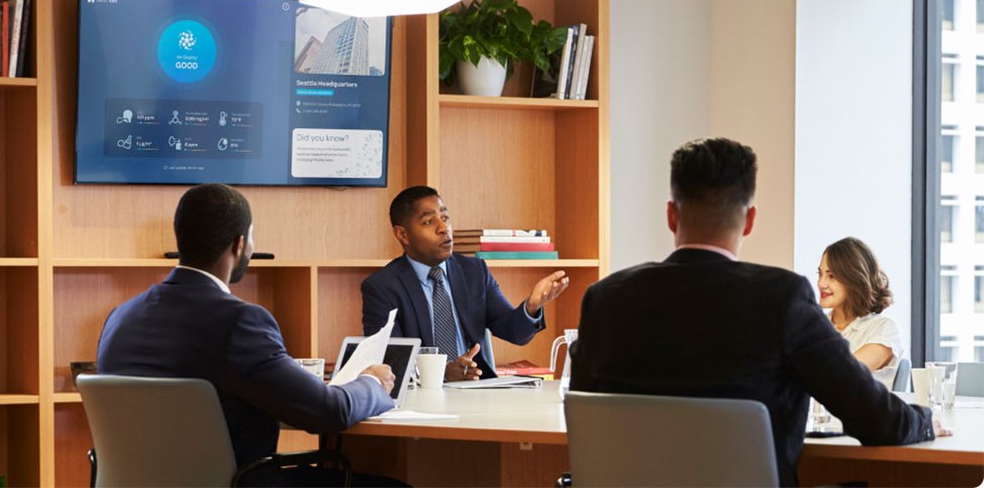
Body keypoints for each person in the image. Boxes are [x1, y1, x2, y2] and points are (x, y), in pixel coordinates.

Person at [569, 138, 946, 487]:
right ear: (749, 220)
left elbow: (586, 421)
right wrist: (926, 420)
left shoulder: (604, 299)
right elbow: (877, 420)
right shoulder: (782, 299)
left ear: (671, 215)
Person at [97, 184, 397, 487]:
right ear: (239, 244)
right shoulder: (240, 322)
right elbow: (330, 411)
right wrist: (371, 381)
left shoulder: (120, 318)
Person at [361, 185, 569, 381]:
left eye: (445, 217)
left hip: (477, 388)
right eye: (428, 222)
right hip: (419, 398)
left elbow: (512, 332)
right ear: (403, 234)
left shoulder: (474, 271)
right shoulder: (382, 287)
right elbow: (390, 359)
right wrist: (441, 373)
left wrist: (532, 305)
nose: (443, 228)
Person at [818, 236, 903, 389]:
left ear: (854, 279)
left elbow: (842, 375)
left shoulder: (884, 330)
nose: (821, 283)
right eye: (820, 274)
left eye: (831, 276)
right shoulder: (815, 327)